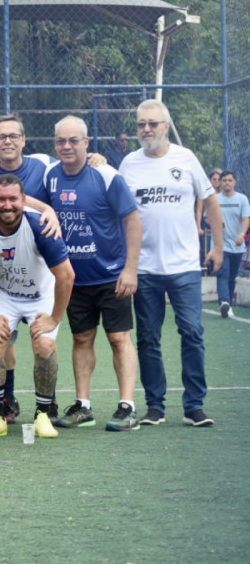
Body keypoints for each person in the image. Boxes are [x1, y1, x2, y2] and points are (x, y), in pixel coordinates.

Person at [120, 99, 222, 427]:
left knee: (192, 332)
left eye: (153, 123)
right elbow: (118, 211)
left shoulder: (186, 158)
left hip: (185, 267)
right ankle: (155, 406)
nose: (147, 129)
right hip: (145, 268)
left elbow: (210, 202)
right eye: (141, 124)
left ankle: (194, 406)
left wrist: (218, 248)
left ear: (166, 126)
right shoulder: (129, 164)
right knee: (148, 338)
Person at [0, 175, 75, 441]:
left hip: (40, 294)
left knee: (44, 344)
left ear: (23, 200)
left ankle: (43, 414)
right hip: (3, 293)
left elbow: (66, 276)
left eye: (13, 198)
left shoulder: (39, 225)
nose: (7, 205)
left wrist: (55, 318)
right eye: (1, 199)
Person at [45, 116, 142, 432]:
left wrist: (130, 269)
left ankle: (127, 407)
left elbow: (132, 221)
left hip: (112, 276)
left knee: (118, 338)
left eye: (74, 140)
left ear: (86, 142)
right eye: (61, 141)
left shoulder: (106, 175)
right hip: (74, 279)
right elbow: (28, 201)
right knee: (82, 338)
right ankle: (83, 406)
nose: (67, 146)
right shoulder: (49, 176)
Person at [216, 170, 250, 316]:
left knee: (231, 276)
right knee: (223, 273)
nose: (227, 183)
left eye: (230, 180)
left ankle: (228, 304)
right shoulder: (215, 199)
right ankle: (224, 301)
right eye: (224, 180)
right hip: (220, 245)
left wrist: (242, 235)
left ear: (234, 182)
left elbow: (246, 218)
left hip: (237, 246)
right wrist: (217, 224)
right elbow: (207, 217)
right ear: (220, 183)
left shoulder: (242, 199)